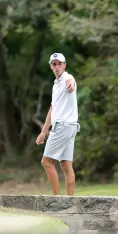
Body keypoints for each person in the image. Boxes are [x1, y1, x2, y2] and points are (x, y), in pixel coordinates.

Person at [36, 52, 79, 196]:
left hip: (63, 126)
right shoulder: (56, 84)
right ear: (51, 66)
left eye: (60, 64)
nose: (57, 66)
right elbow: (52, 108)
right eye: (54, 64)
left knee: (46, 162)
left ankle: (56, 199)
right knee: (66, 165)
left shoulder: (67, 77)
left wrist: (71, 86)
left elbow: (71, 83)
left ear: (64, 65)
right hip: (71, 126)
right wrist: (43, 131)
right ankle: (70, 201)